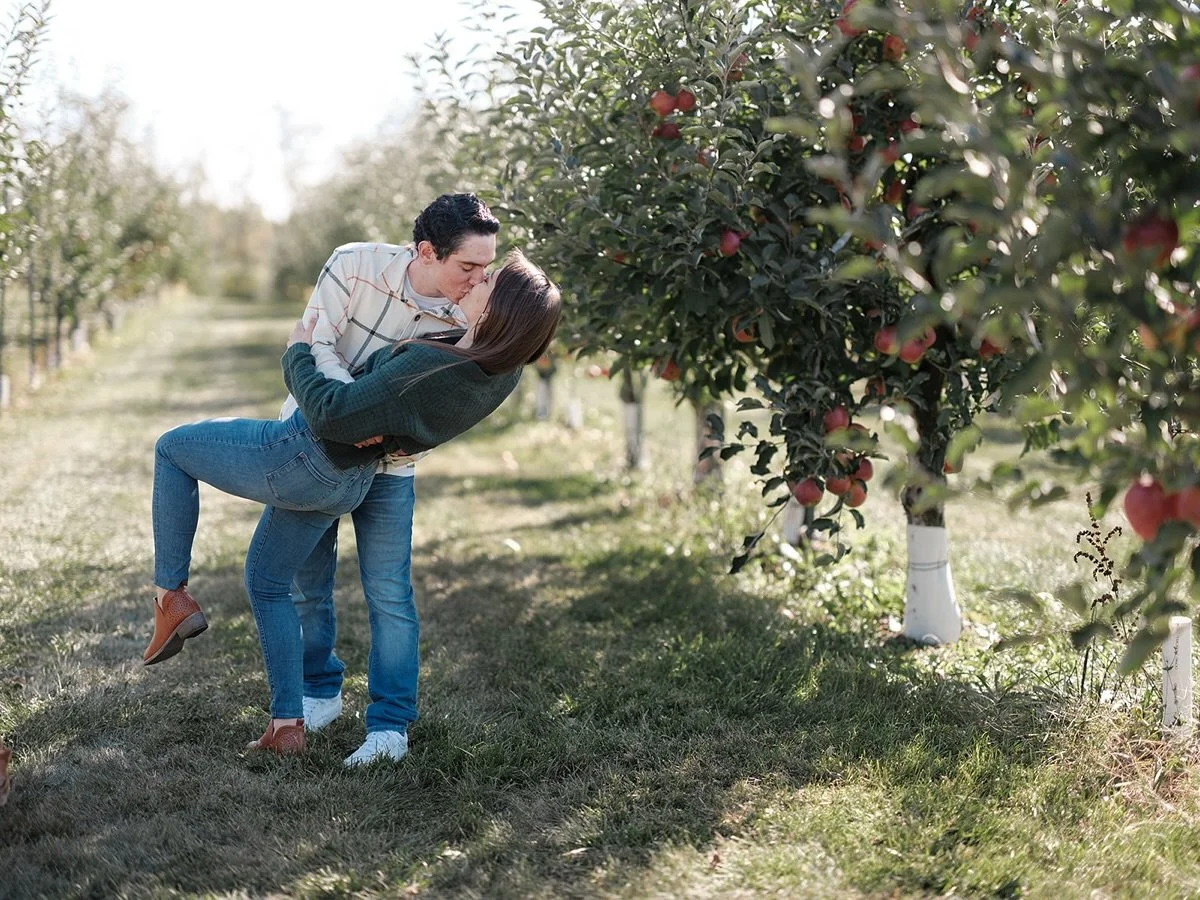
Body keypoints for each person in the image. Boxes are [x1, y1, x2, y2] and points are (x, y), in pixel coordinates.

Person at [143, 251, 562, 757]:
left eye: (488, 278)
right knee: (271, 580)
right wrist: (387, 428)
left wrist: (298, 352)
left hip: (303, 455)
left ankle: (170, 596)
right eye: (476, 268)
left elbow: (328, 415)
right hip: (351, 476)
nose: (478, 280)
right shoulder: (496, 369)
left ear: (498, 310)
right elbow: (404, 416)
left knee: (171, 449)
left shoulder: (433, 365)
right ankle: (287, 723)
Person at [290, 194, 498, 767]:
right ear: (426, 252)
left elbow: (445, 402)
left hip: (391, 464)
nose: (481, 280)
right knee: (309, 581)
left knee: (389, 593)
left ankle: (389, 727)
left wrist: (372, 430)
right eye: (469, 268)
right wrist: (345, 414)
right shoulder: (353, 264)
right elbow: (316, 342)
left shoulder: (471, 315)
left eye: (488, 267)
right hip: (314, 445)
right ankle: (319, 692)